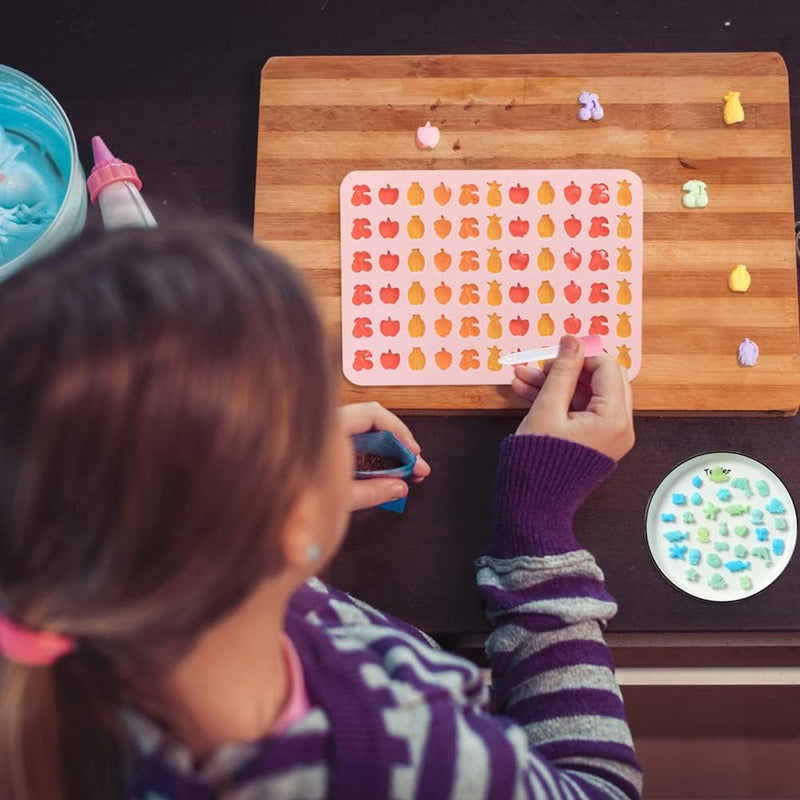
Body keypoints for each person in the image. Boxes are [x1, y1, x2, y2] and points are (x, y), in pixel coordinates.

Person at [0, 217, 642, 800]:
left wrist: (256, 475)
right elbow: (601, 789)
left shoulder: (104, 624)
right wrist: (537, 534)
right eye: (310, 420)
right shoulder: (410, 762)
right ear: (296, 526)